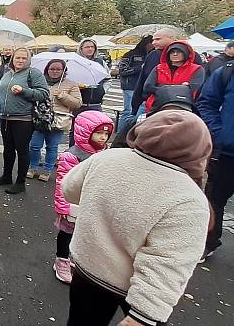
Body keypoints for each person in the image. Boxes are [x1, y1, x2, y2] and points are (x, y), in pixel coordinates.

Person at [63, 110, 212, 326]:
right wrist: (142, 317)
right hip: (135, 288)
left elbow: (70, 190)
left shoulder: (106, 158)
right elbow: (169, 263)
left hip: (88, 268)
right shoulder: (189, 198)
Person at [52, 110, 114, 284]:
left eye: (106, 134)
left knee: (82, 233)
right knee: (66, 233)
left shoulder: (103, 153)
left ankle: (72, 257)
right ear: (86, 132)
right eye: (99, 133)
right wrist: (63, 206)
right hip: (74, 204)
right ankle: (61, 261)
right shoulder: (71, 156)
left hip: (92, 203)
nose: (103, 137)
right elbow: (62, 184)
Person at [0, 47, 49, 194]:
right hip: (5, 118)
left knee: (22, 150)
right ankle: (6, 176)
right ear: (13, 58)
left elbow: (43, 93)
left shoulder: (33, 73)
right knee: (8, 149)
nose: (20, 61)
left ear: (29, 59)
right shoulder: (7, 72)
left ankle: (20, 182)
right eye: (18, 58)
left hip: (23, 119)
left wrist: (24, 91)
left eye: (24, 58)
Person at [197, 58, 234, 261]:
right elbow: (206, 102)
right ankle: (209, 241)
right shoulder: (227, 72)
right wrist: (220, 134)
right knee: (214, 200)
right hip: (228, 153)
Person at [28, 59, 82, 182]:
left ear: (64, 71)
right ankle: (33, 168)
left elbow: (77, 103)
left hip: (58, 119)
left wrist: (62, 95)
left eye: (58, 69)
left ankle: (47, 170)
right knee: (35, 146)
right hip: (40, 118)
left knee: (52, 146)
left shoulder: (71, 84)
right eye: (52, 69)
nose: (55, 71)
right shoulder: (39, 81)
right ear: (47, 69)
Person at [131, 27, 198, 119]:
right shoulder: (154, 56)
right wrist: (136, 105)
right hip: (153, 104)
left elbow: (198, 86)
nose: (153, 42)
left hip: (184, 107)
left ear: (171, 38)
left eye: (158, 39)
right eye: (153, 39)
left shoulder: (195, 59)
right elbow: (144, 82)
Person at [142, 41, 204, 114]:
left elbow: (193, 88)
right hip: (156, 107)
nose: (175, 54)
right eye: (172, 52)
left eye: (179, 52)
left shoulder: (197, 69)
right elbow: (147, 87)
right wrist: (180, 88)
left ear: (186, 53)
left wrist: (161, 87)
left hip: (184, 109)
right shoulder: (159, 68)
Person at [69, 39, 109, 146]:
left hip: (95, 103)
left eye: (92, 47)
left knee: (95, 130)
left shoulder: (100, 62)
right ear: (81, 48)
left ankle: (90, 152)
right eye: (87, 47)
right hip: (79, 103)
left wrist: (103, 90)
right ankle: (73, 152)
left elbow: (107, 78)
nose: (90, 49)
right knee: (76, 130)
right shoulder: (75, 61)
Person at [117, 36, 153, 129]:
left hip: (143, 87)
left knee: (140, 111)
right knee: (129, 111)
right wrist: (139, 68)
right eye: (151, 43)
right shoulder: (130, 54)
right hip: (130, 86)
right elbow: (122, 70)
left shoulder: (152, 55)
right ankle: (121, 133)